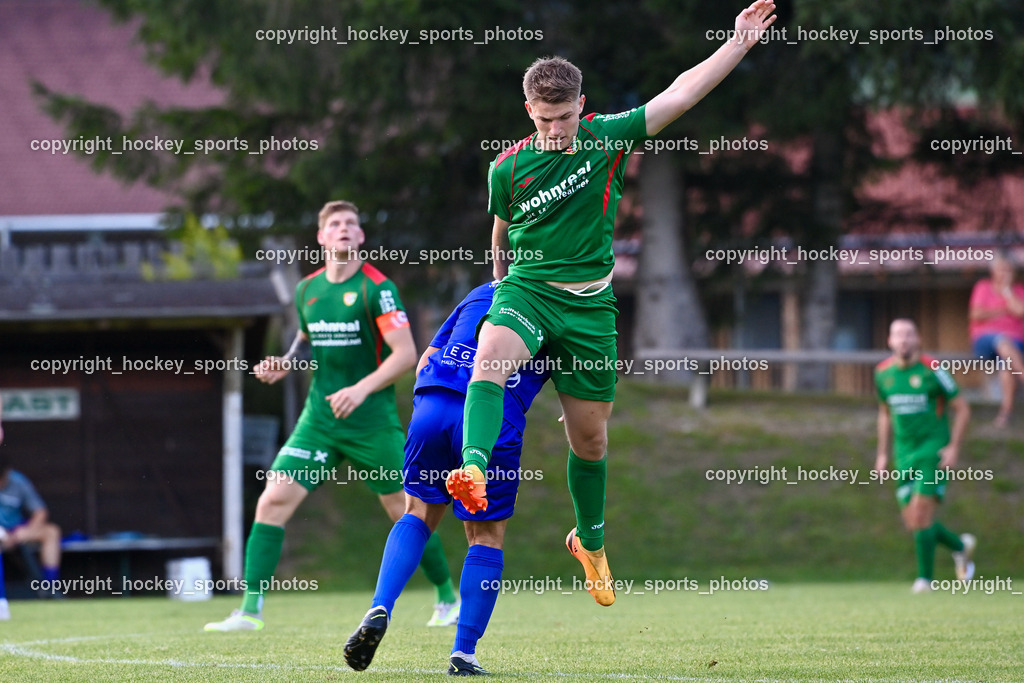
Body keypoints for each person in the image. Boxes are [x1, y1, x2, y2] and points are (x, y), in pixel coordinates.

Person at [445, 0, 778, 607]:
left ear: (582, 106)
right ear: (529, 112)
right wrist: (497, 288)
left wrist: (738, 45)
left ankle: (590, 541)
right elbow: (499, 235)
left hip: (591, 308)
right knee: (489, 354)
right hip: (528, 291)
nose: (556, 131)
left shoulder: (607, 138)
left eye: (565, 117)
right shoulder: (507, 169)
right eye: (545, 120)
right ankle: (472, 467)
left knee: (591, 441)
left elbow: (679, 95)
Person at [205, 200, 458, 631]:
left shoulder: (376, 289)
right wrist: (285, 361)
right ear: (322, 238)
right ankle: (249, 611)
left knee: (408, 511)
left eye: (351, 224)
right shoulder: (307, 291)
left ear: (360, 237)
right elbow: (306, 336)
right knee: (272, 502)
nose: (343, 229)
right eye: (335, 224)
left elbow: (406, 355)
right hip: (319, 421)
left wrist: (360, 390)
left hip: (372, 422)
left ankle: (447, 598)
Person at [343, 281, 549, 676]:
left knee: (418, 513)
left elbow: (426, 359)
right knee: (486, 536)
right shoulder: (563, 303)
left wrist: (429, 407)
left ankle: (381, 605)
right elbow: (583, 397)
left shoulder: (482, 290)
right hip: (494, 417)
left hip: (435, 402)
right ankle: (463, 652)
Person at [874, 319, 976, 593]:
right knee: (914, 521)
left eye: (909, 334)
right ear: (890, 341)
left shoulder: (935, 370)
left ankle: (924, 580)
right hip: (903, 453)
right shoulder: (882, 374)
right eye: (898, 335)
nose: (904, 340)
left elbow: (963, 408)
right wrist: (882, 454)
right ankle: (959, 546)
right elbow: (884, 414)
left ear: (918, 339)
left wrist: (953, 446)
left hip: (933, 450)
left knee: (921, 512)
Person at [0, 451, 64, 611]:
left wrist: (27, 531)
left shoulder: (18, 481)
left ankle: (50, 587)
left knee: (52, 531)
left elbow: (40, 511)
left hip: (16, 530)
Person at [968, 253, 1024, 427]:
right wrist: (1003, 310)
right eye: (1002, 269)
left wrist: (1007, 292)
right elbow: (976, 314)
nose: (1005, 273)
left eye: (1009, 269)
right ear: (993, 271)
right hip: (985, 341)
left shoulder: (1019, 290)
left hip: (1015, 344)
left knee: (1006, 364)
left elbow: (1020, 311)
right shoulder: (983, 287)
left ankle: (1005, 414)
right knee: (1003, 341)